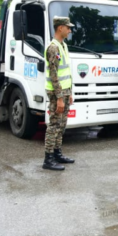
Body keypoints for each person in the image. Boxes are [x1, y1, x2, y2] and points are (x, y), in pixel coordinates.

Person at [43, 16, 76, 171]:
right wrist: (60, 98)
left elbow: (67, 72)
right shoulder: (53, 47)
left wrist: (70, 92)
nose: (69, 30)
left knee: (61, 125)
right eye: (68, 27)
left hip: (65, 91)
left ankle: (57, 153)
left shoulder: (63, 46)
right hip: (57, 93)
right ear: (60, 28)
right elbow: (54, 74)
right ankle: (48, 159)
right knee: (54, 125)